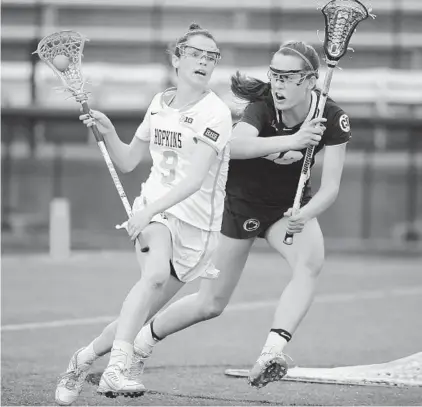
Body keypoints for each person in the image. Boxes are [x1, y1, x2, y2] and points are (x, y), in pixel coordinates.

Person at [54, 34, 326, 405]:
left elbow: (196, 180)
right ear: (177, 59)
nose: (204, 62)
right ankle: (117, 367)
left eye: (211, 56)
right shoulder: (158, 103)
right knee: (151, 277)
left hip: (197, 226)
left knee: (140, 311)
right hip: (156, 210)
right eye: (196, 54)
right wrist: (108, 132)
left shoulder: (213, 112)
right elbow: (130, 161)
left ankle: (82, 359)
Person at [126, 40, 351, 389]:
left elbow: (331, 188)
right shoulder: (262, 109)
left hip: (285, 209)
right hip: (239, 204)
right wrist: (292, 141)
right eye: (274, 74)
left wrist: (305, 214)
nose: (277, 83)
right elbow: (237, 145)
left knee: (310, 262)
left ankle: (271, 352)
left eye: (288, 77)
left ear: (309, 80)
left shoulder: (332, 117)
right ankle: (141, 343)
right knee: (210, 304)